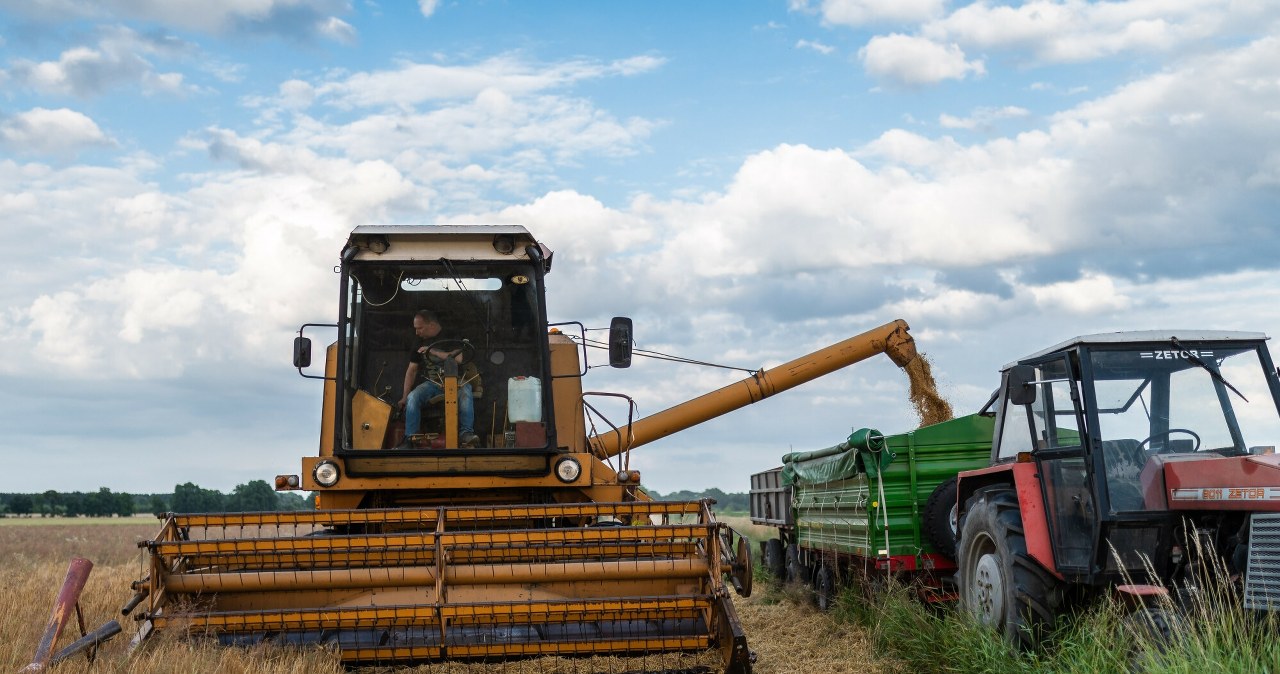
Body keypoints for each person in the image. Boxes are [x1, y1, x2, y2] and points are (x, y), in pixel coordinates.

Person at [397, 310, 478, 447]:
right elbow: (412, 370)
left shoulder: (451, 336)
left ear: (432, 325)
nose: (417, 332)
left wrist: (432, 351)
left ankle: (466, 434)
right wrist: (404, 396)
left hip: (456, 382)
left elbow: (458, 358)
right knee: (413, 397)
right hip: (432, 384)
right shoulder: (418, 341)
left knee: (466, 391)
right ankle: (410, 439)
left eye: (420, 328)